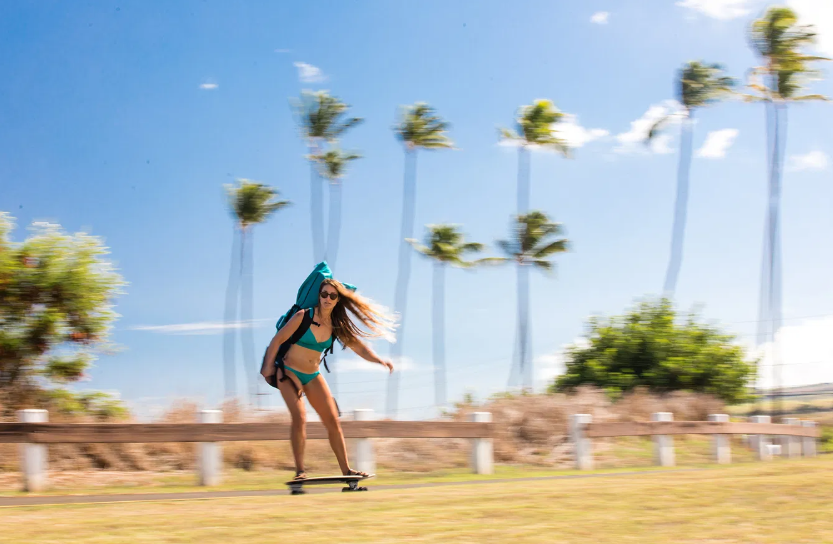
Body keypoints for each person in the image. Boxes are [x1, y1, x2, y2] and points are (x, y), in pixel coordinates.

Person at [260, 278, 396, 480]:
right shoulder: (303, 316)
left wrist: (379, 361)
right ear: (319, 295)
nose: (327, 298)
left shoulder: (336, 325)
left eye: (333, 295)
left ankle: (347, 471)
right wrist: (267, 367)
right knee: (299, 418)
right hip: (288, 371)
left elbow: (359, 348)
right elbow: (277, 340)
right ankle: (300, 472)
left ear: (337, 299)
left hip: (312, 375)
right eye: (324, 294)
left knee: (333, 421)